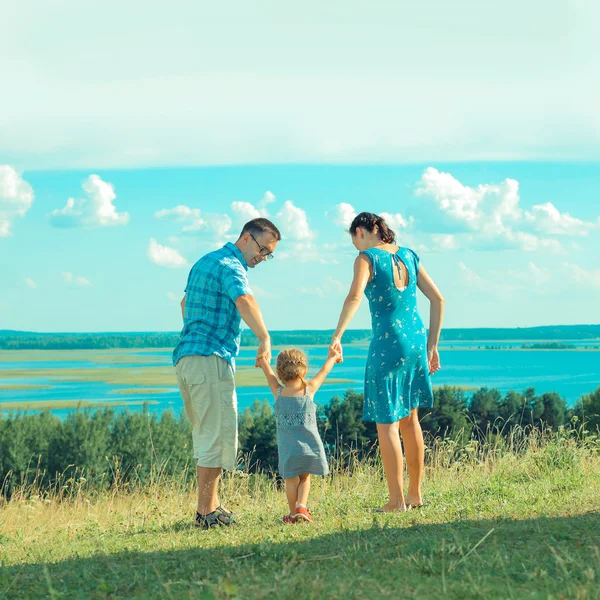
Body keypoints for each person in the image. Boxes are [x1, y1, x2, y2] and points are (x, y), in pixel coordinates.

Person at [330, 212, 444, 512]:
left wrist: (338, 334)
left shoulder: (366, 258)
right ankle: (415, 495)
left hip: (388, 343)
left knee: (387, 424)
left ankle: (396, 501)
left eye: (352, 238)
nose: (354, 244)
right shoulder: (409, 255)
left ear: (360, 232)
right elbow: (439, 299)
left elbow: (355, 297)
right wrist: (432, 346)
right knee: (410, 420)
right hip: (416, 341)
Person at [173, 218, 281, 529]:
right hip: (210, 358)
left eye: (269, 254)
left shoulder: (204, 262)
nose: (263, 258)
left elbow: (184, 304)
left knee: (208, 432)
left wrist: (200, 330)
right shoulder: (231, 266)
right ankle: (207, 512)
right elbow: (244, 299)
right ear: (246, 239)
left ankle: (212, 505)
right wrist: (264, 338)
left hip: (188, 357)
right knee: (216, 435)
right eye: (262, 250)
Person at [257, 347, 339, 523]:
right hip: (309, 447)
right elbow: (324, 371)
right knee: (305, 477)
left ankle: (293, 513)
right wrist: (333, 357)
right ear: (304, 369)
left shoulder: (278, 392)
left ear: (280, 372)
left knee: (291, 481)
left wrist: (263, 361)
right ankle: (301, 506)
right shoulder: (309, 390)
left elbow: (269, 375)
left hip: (288, 451)